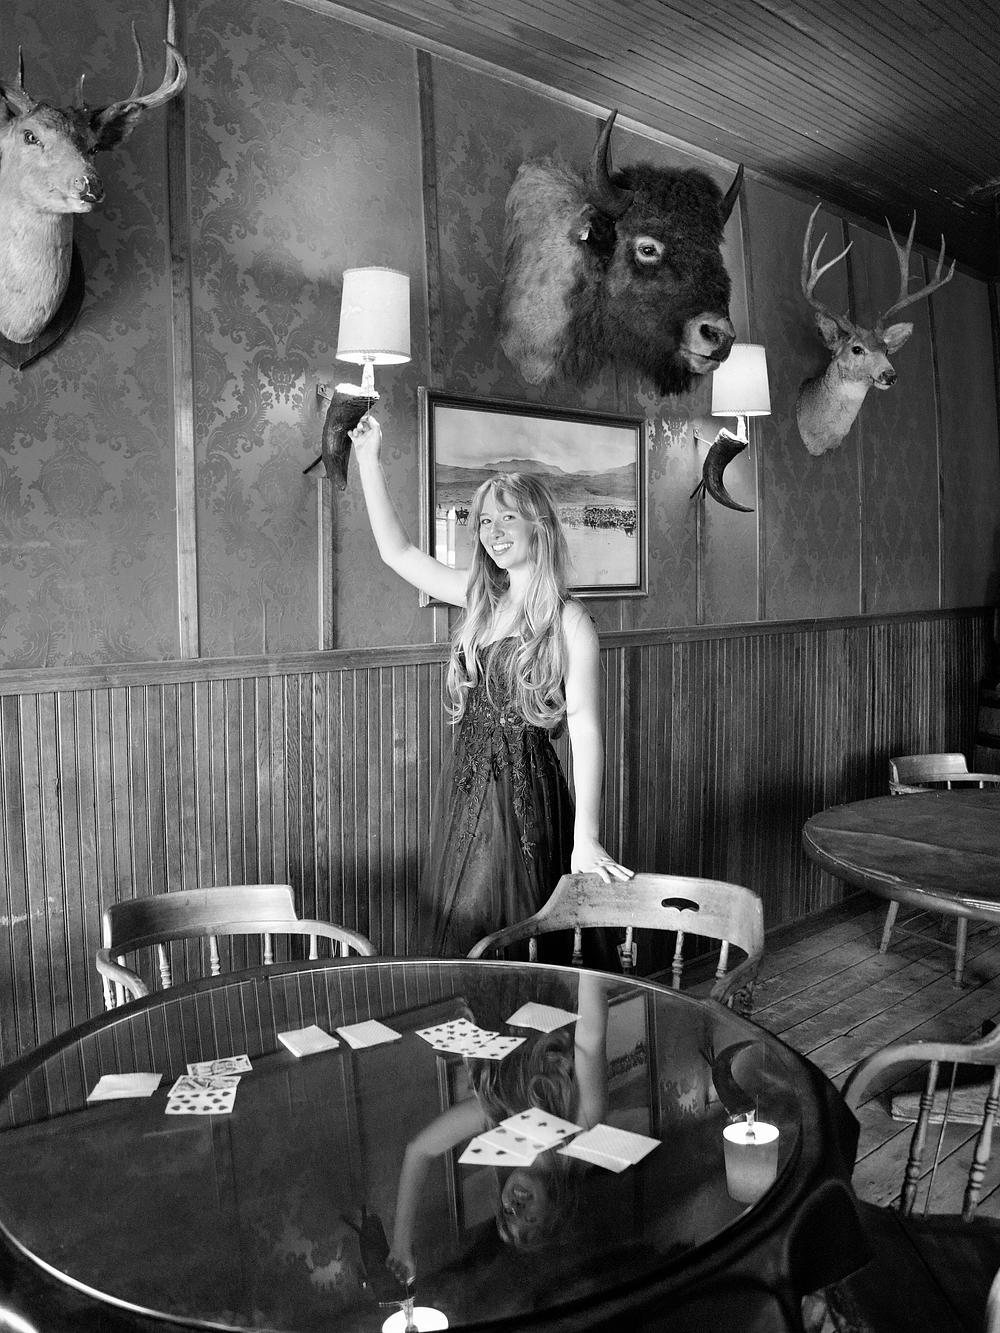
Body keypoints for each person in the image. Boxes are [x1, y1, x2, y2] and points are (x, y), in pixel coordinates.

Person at [349, 412, 632, 957]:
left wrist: (587, 836)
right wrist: (368, 460)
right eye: (483, 521)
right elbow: (397, 553)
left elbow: (586, 732)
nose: (492, 532)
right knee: (463, 930)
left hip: (527, 796)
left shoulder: (569, 620)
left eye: (507, 519)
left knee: (519, 936)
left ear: (539, 527)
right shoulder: (479, 598)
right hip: (466, 787)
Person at [386, 972, 611, 1282]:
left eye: (508, 1213)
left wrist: (401, 1244)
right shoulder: (582, 1128)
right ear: (556, 1207)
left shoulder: (497, 1121)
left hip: (483, 972)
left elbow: (419, 1150)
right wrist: (591, 969)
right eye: (530, 1219)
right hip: (545, 966)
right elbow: (591, 1037)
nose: (516, 1207)